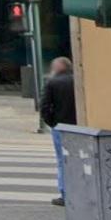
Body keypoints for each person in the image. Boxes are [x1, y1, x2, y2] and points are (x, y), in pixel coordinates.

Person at [39, 56, 77, 206]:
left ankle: (65, 194)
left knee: (62, 161)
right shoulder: (78, 80)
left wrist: (52, 123)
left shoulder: (52, 83)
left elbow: (45, 107)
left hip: (60, 127)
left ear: (56, 68)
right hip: (79, 127)